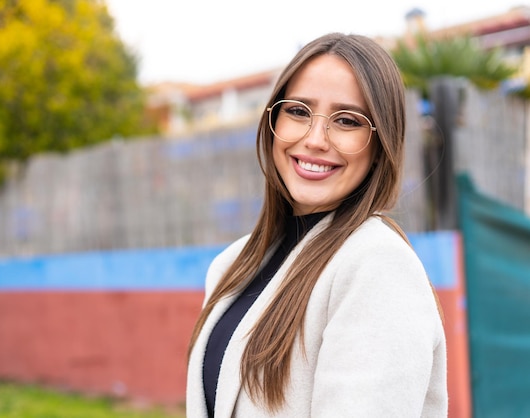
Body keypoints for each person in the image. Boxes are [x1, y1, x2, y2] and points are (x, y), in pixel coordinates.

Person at [186, 33, 447, 417]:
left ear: (380, 145)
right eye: (298, 111)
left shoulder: (377, 265)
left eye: (346, 120)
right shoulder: (232, 264)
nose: (315, 139)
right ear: (273, 119)